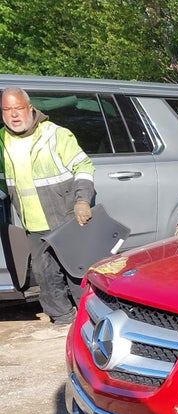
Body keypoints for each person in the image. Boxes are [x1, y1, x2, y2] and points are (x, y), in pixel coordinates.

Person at [0, 86, 95, 325]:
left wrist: (82, 200)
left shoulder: (55, 134)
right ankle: (63, 318)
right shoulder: (1, 140)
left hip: (65, 218)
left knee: (77, 271)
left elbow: (83, 167)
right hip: (33, 223)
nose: (14, 114)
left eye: (19, 108)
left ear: (30, 108)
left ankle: (90, 317)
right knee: (45, 274)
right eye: (7, 109)